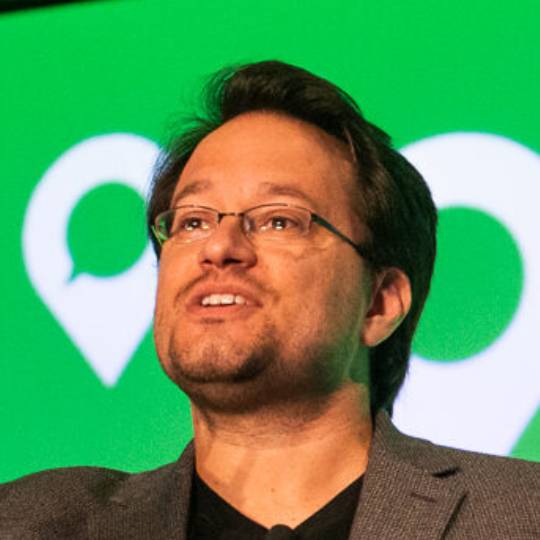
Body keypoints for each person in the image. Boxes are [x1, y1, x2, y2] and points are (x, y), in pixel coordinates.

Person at [1, 60, 538, 539]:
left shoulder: (521, 514)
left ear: (380, 303)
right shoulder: (32, 522)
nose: (219, 247)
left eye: (279, 220)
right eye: (192, 221)